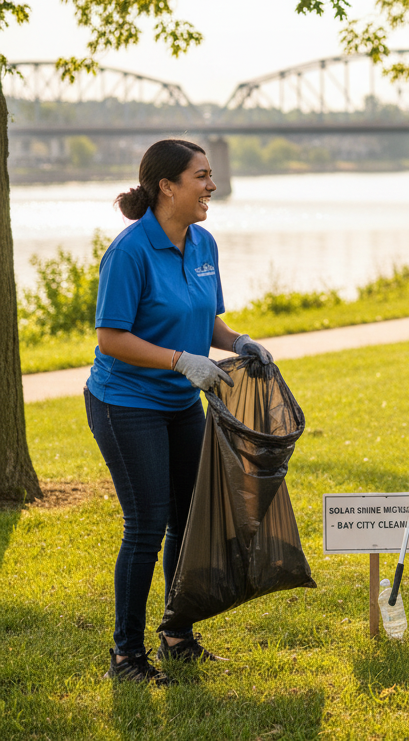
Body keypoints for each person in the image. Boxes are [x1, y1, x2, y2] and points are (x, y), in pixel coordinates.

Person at [86, 139, 273, 684]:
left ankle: (176, 635)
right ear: (167, 186)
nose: (211, 185)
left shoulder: (204, 242)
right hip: (126, 403)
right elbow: (111, 337)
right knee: (146, 525)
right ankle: (126, 656)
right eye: (202, 176)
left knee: (187, 522)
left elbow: (208, 318)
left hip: (180, 404)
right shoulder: (130, 252)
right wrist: (179, 360)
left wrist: (238, 342)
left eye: (211, 175)